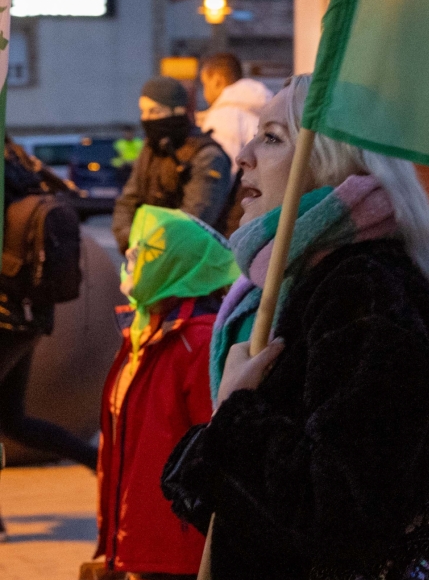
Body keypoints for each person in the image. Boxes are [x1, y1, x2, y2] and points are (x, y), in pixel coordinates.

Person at [161, 74, 429, 580]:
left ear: (332, 170)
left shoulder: (363, 287)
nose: (242, 154)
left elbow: (346, 502)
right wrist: (217, 438)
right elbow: (251, 500)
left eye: (274, 138)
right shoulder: (289, 286)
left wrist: (239, 415)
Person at [97, 204, 239, 580]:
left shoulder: (195, 341)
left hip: (173, 545)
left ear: (177, 265)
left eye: (149, 250)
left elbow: (214, 445)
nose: (133, 258)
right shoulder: (148, 332)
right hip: (139, 540)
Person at [0, 138, 96, 484]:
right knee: (12, 420)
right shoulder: (20, 162)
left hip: (7, 315)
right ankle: (102, 463)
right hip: (30, 314)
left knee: (12, 419)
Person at [112, 76, 232, 254]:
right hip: (149, 259)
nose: (146, 119)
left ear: (178, 111)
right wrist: (129, 239)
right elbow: (128, 201)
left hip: (194, 265)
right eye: (143, 112)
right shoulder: (150, 150)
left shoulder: (206, 155)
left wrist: (149, 245)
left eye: (155, 111)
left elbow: (194, 220)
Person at [198, 52, 273, 174]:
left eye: (205, 84)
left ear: (217, 81)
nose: (204, 93)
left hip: (244, 191)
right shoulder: (267, 109)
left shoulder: (223, 116)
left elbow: (222, 171)